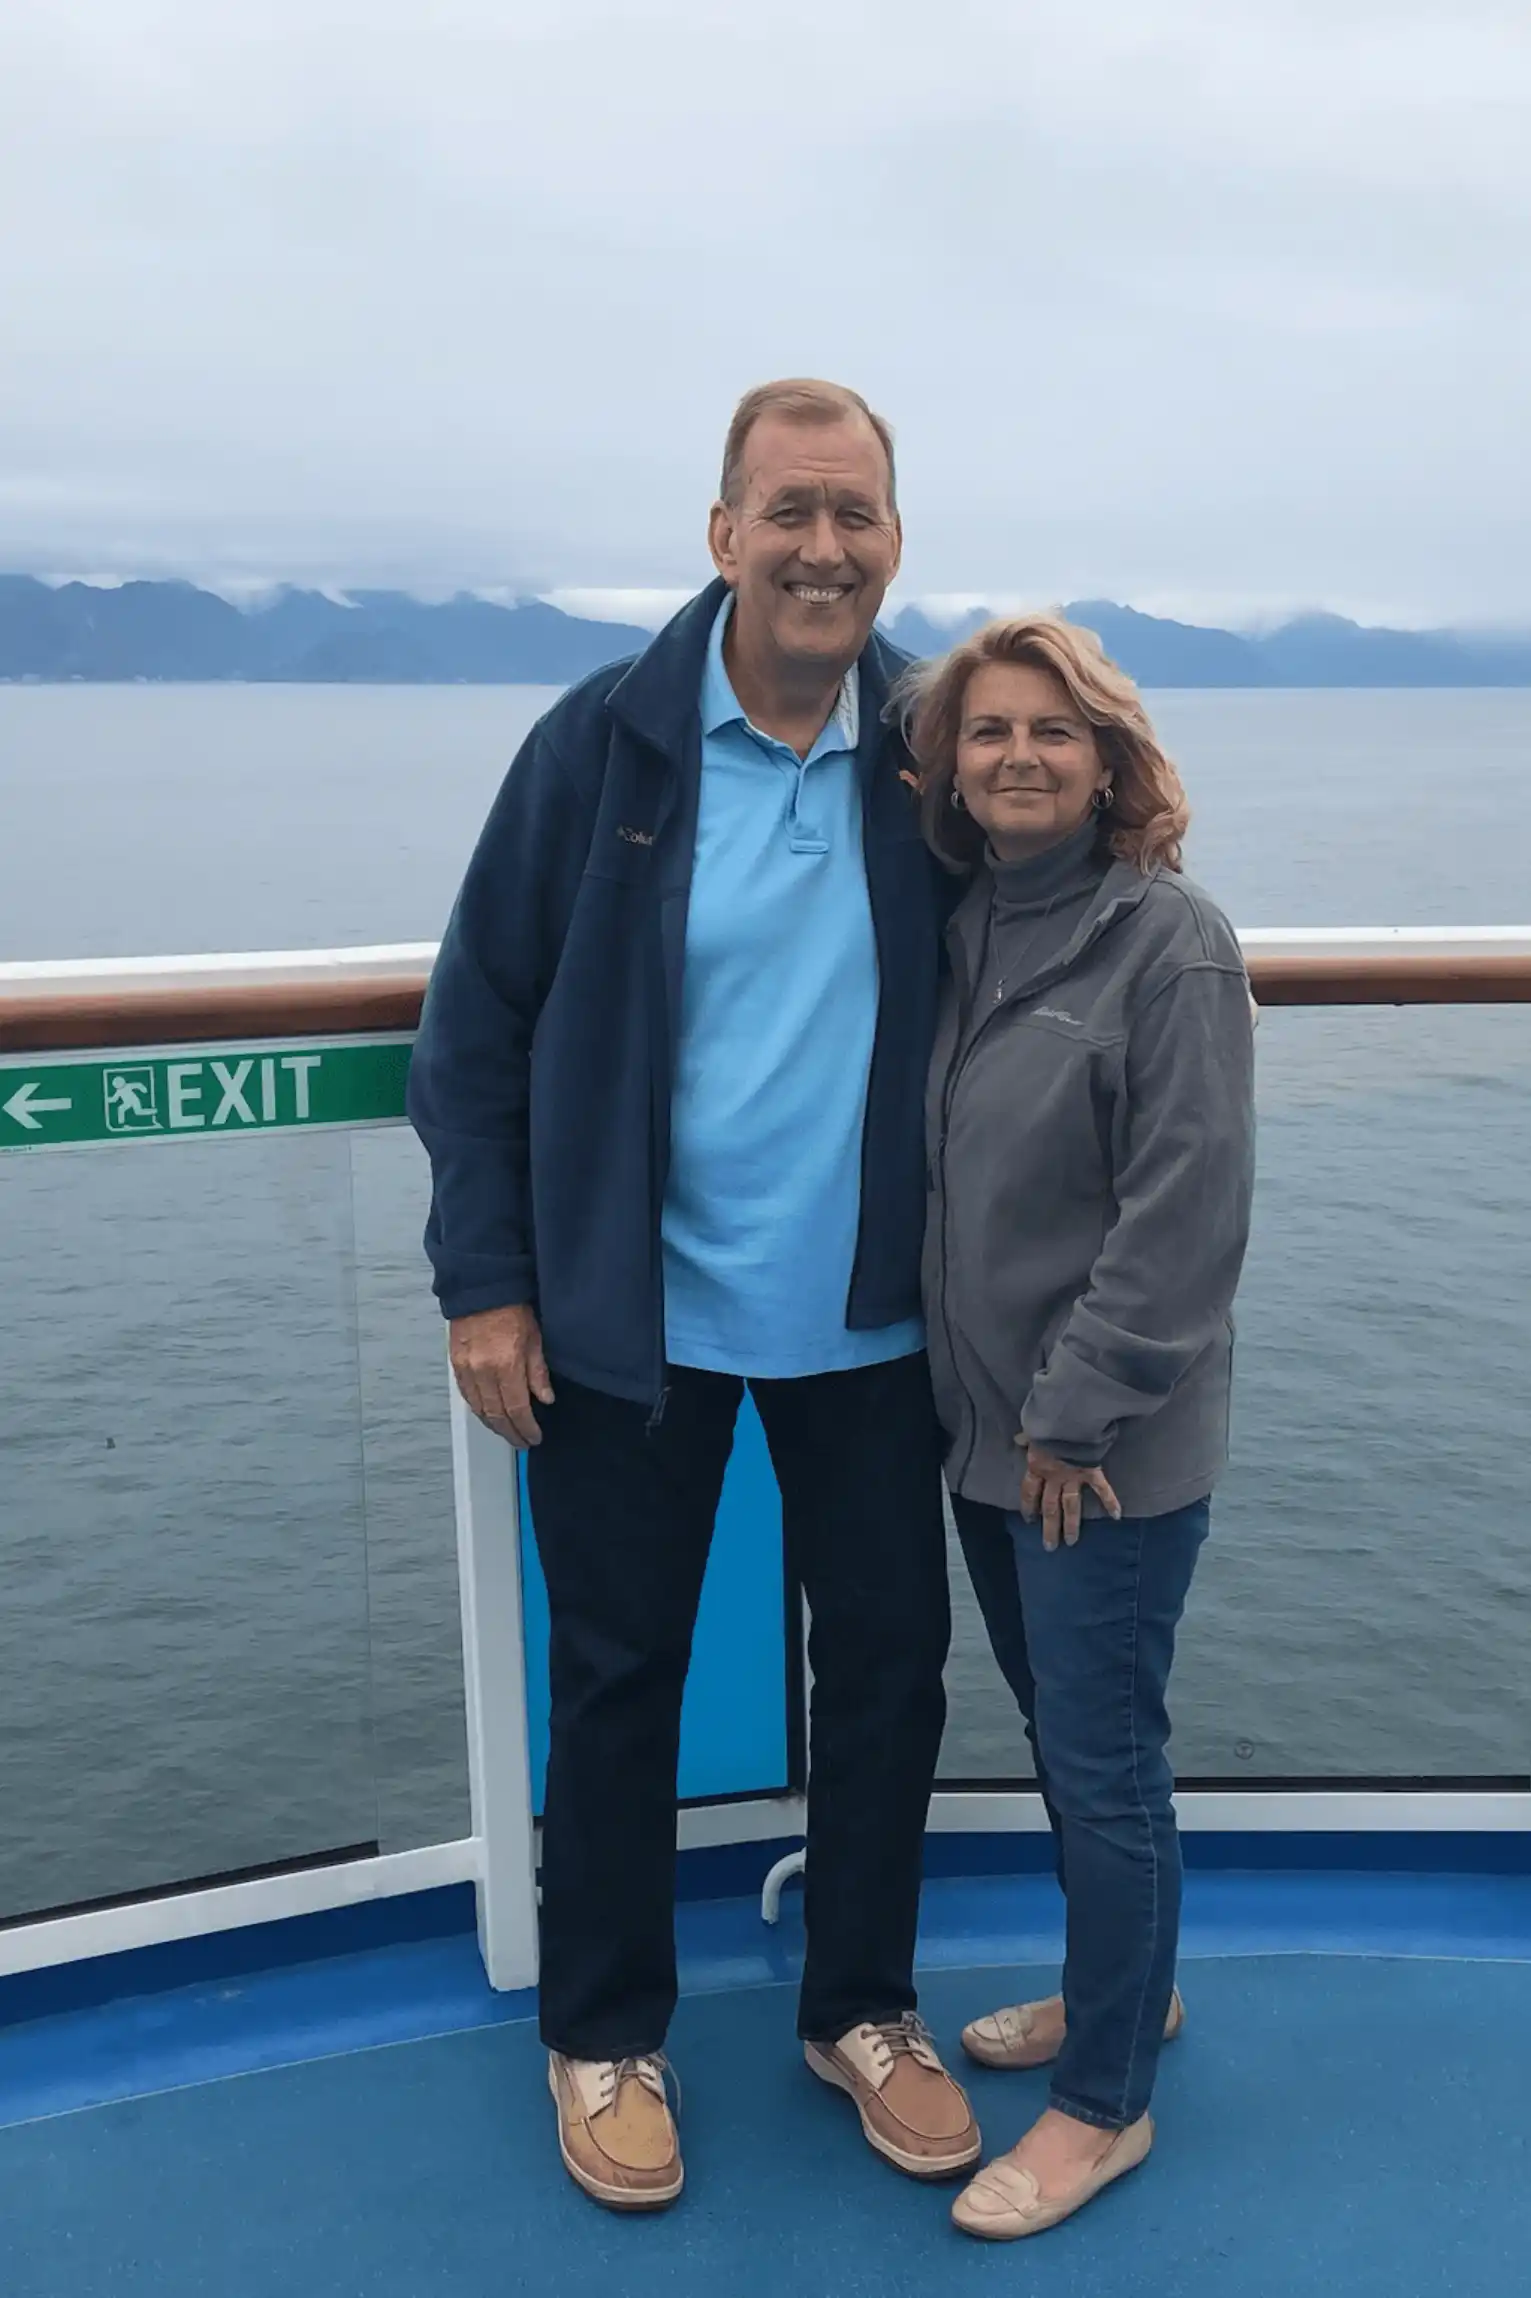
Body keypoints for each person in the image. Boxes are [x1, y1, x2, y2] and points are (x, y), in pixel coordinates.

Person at [407, 379, 979, 2212]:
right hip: (628, 1315)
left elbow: (1072, 905)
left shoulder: (937, 746)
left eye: (858, 516)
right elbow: (475, 1021)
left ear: (898, 542)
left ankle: (860, 2005)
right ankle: (602, 2033)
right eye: (790, 511)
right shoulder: (606, 747)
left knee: (890, 1668)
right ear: (722, 534)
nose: (826, 548)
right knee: (622, 1674)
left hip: (879, 1316)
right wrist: (488, 1281)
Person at [904, 613, 1254, 2240]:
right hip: (988, 1442)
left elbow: (1182, 1221)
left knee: (1102, 1763)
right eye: (989, 733)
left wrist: (1067, 1416)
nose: (1021, 757)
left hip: (1091, 1452)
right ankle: (1131, 1988)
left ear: (1109, 757)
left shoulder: (1167, 943)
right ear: (949, 769)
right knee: (1068, 1741)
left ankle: (1104, 2102)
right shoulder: (966, 926)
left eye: (1054, 731)